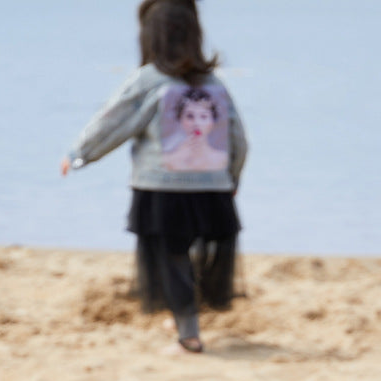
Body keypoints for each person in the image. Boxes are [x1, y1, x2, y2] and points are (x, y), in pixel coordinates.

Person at [61, 0, 246, 353]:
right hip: (213, 190)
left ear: (149, 38)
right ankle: (184, 316)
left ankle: (189, 336)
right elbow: (238, 137)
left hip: (163, 190)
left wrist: (78, 154)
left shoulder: (147, 80)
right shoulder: (214, 84)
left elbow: (111, 123)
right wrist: (232, 177)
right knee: (189, 253)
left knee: (171, 256)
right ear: (195, 35)